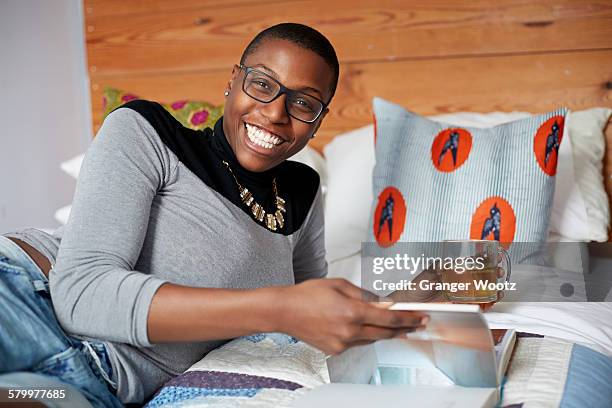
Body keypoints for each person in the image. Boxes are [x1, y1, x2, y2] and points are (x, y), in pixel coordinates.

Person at [0, 23, 428, 407]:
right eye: (262, 84)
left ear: (318, 121)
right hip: (28, 301)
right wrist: (277, 308)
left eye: (304, 104)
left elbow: (316, 315)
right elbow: (82, 294)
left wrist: (417, 298)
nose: (276, 113)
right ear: (233, 80)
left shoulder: (302, 190)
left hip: (99, 383)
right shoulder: (146, 131)